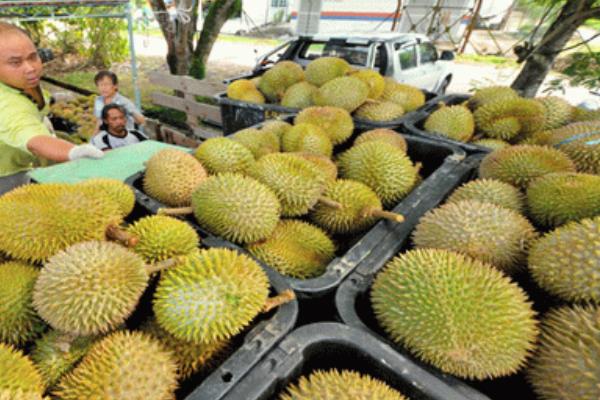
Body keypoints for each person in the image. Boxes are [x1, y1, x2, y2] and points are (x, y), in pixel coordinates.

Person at [0, 22, 104, 195]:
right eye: (15, 62)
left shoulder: (22, 82)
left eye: (33, 57)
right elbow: (33, 140)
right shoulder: (7, 105)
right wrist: (73, 151)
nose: (30, 68)